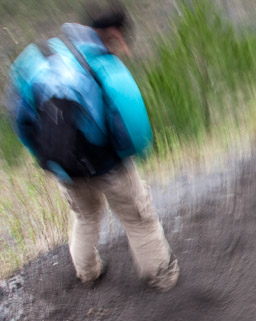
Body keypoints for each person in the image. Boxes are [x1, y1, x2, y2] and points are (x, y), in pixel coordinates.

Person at [4, 0, 179, 290]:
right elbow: (136, 133)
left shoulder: (40, 57)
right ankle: (162, 276)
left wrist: (46, 157)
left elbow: (20, 119)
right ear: (115, 33)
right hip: (108, 168)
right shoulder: (109, 69)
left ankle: (88, 271)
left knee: (84, 215)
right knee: (138, 217)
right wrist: (121, 161)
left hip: (64, 168)